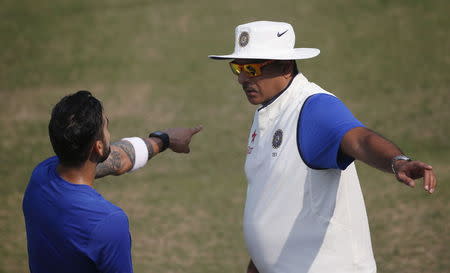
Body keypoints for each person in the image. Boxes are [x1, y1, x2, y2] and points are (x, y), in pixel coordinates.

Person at [209, 21, 437, 273]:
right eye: (238, 67)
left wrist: (397, 162)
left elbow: (359, 139)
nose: (241, 78)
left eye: (251, 69)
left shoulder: (314, 108)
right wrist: (260, 262)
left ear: (285, 68)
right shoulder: (269, 109)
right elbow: (272, 201)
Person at [22, 90, 202, 273]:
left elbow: (119, 159)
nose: (109, 134)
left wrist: (165, 139)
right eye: (106, 127)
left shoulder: (41, 176)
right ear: (99, 147)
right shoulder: (108, 222)